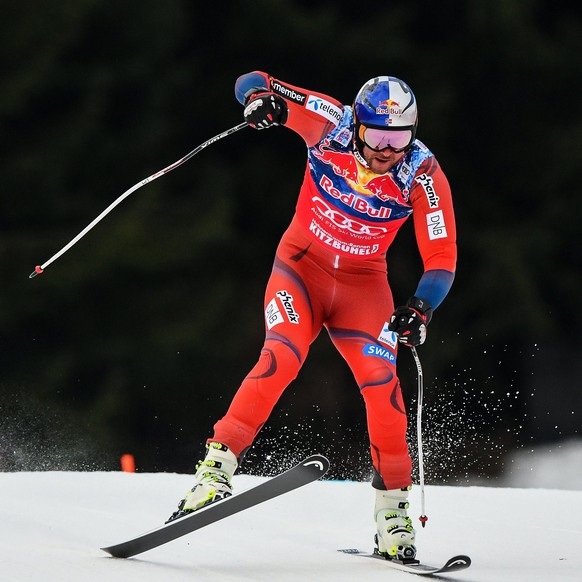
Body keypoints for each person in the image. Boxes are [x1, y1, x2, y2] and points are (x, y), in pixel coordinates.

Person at [169, 72, 457, 560]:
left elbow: (442, 257)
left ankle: (393, 513)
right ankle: (215, 470)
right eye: (377, 136)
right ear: (357, 126)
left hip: (364, 288)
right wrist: (261, 103)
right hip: (301, 271)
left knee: (382, 384)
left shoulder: (423, 174)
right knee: (281, 356)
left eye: (399, 138)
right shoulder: (328, 123)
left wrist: (420, 308)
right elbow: (250, 80)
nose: (388, 150)